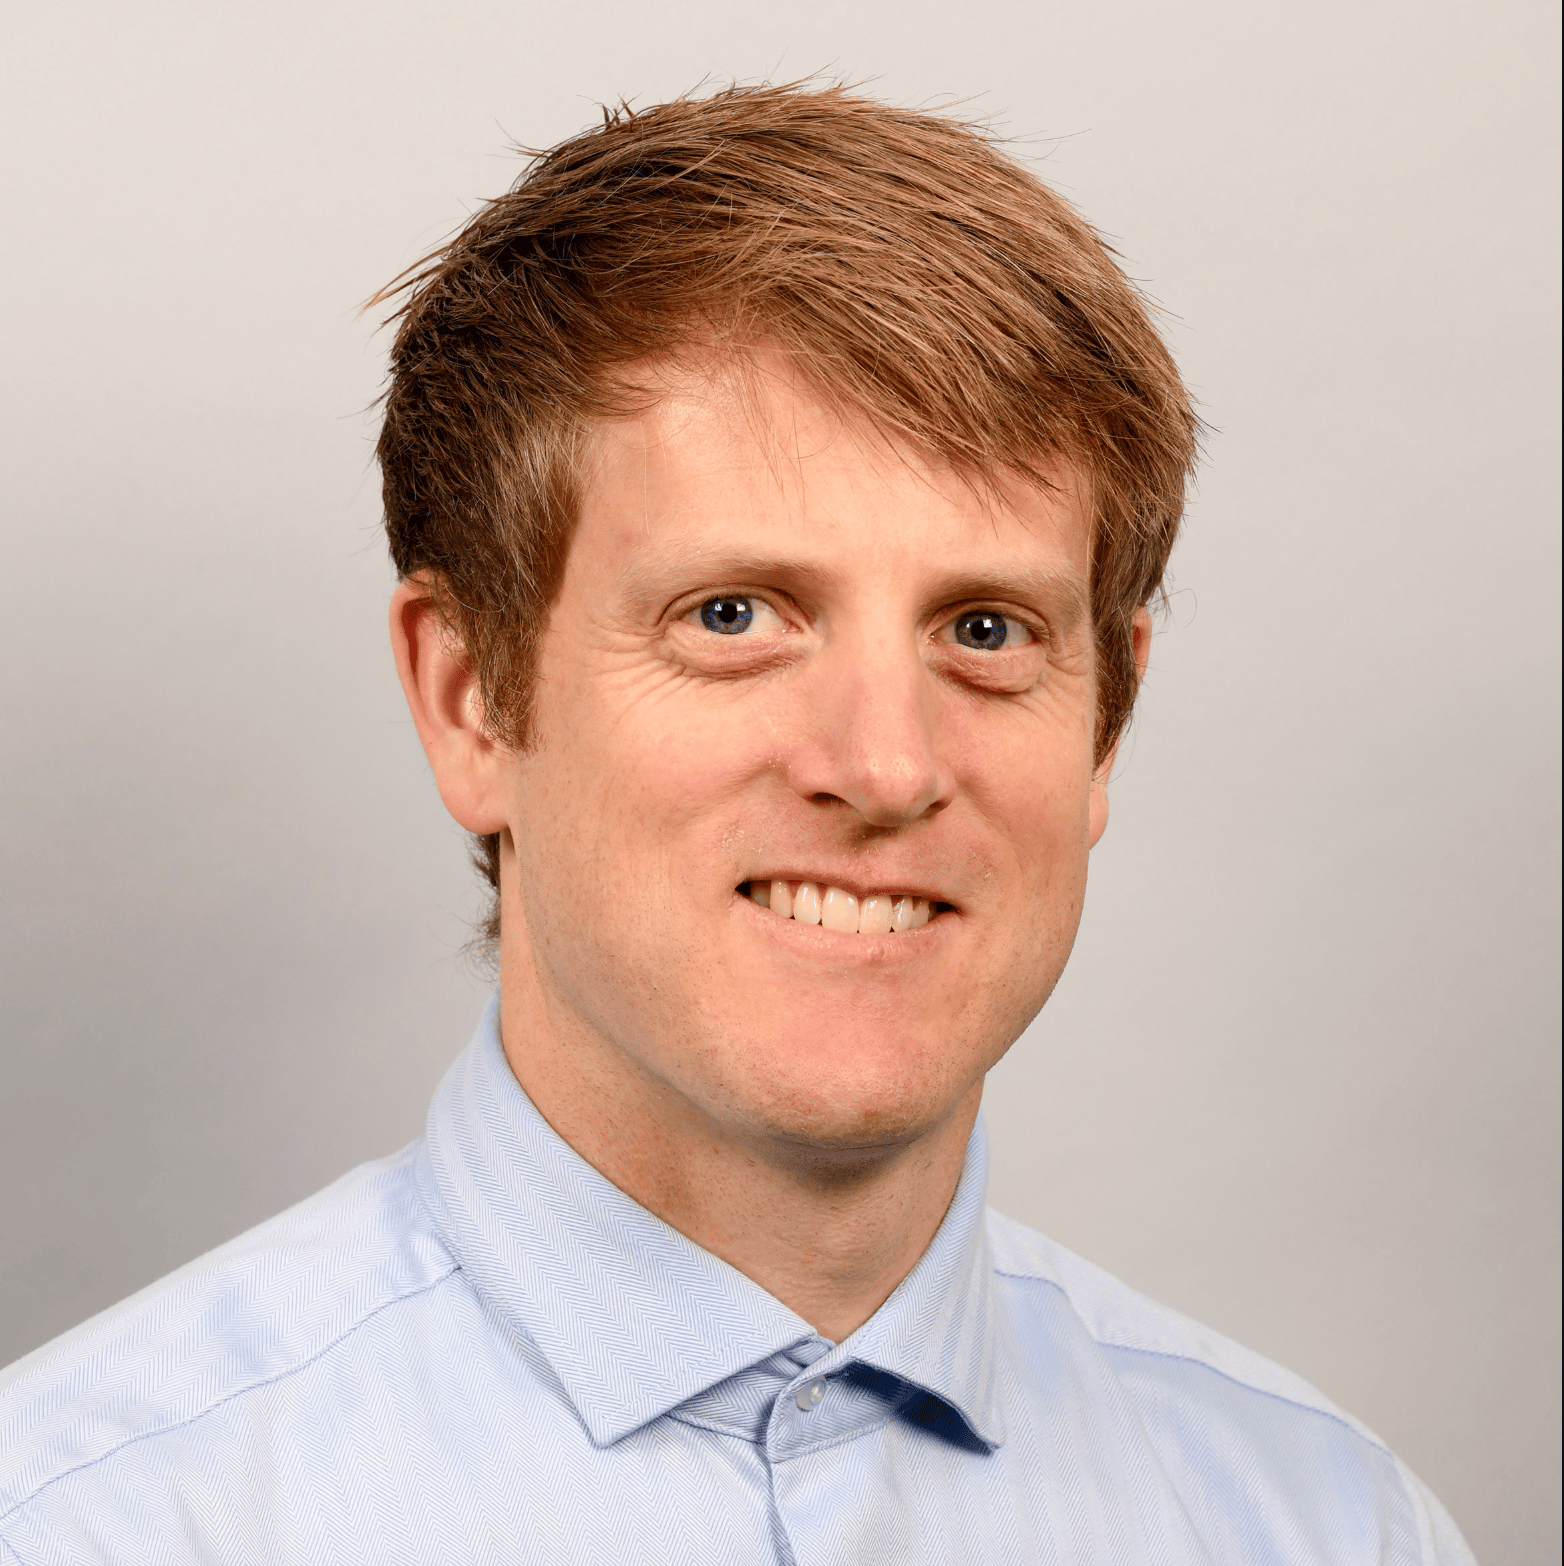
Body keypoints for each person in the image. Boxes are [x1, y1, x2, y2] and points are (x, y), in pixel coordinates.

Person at [0, 83, 1475, 1564]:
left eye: (984, 628)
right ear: (470, 703)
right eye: (733, 616)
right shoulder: (91, 1521)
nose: (884, 766)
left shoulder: (1331, 1527)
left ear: (1106, 721)